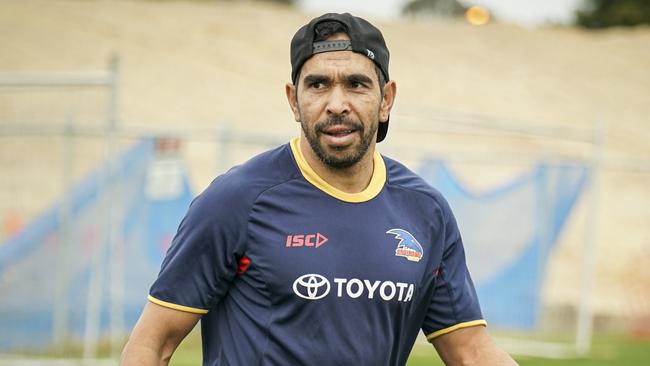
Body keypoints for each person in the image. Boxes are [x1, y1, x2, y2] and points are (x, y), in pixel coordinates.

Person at [121, 12, 517, 366]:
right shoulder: (237, 200)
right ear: (294, 101)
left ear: (386, 100)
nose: (336, 103)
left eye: (357, 84)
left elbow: (471, 351)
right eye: (318, 85)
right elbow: (151, 346)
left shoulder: (425, 211)